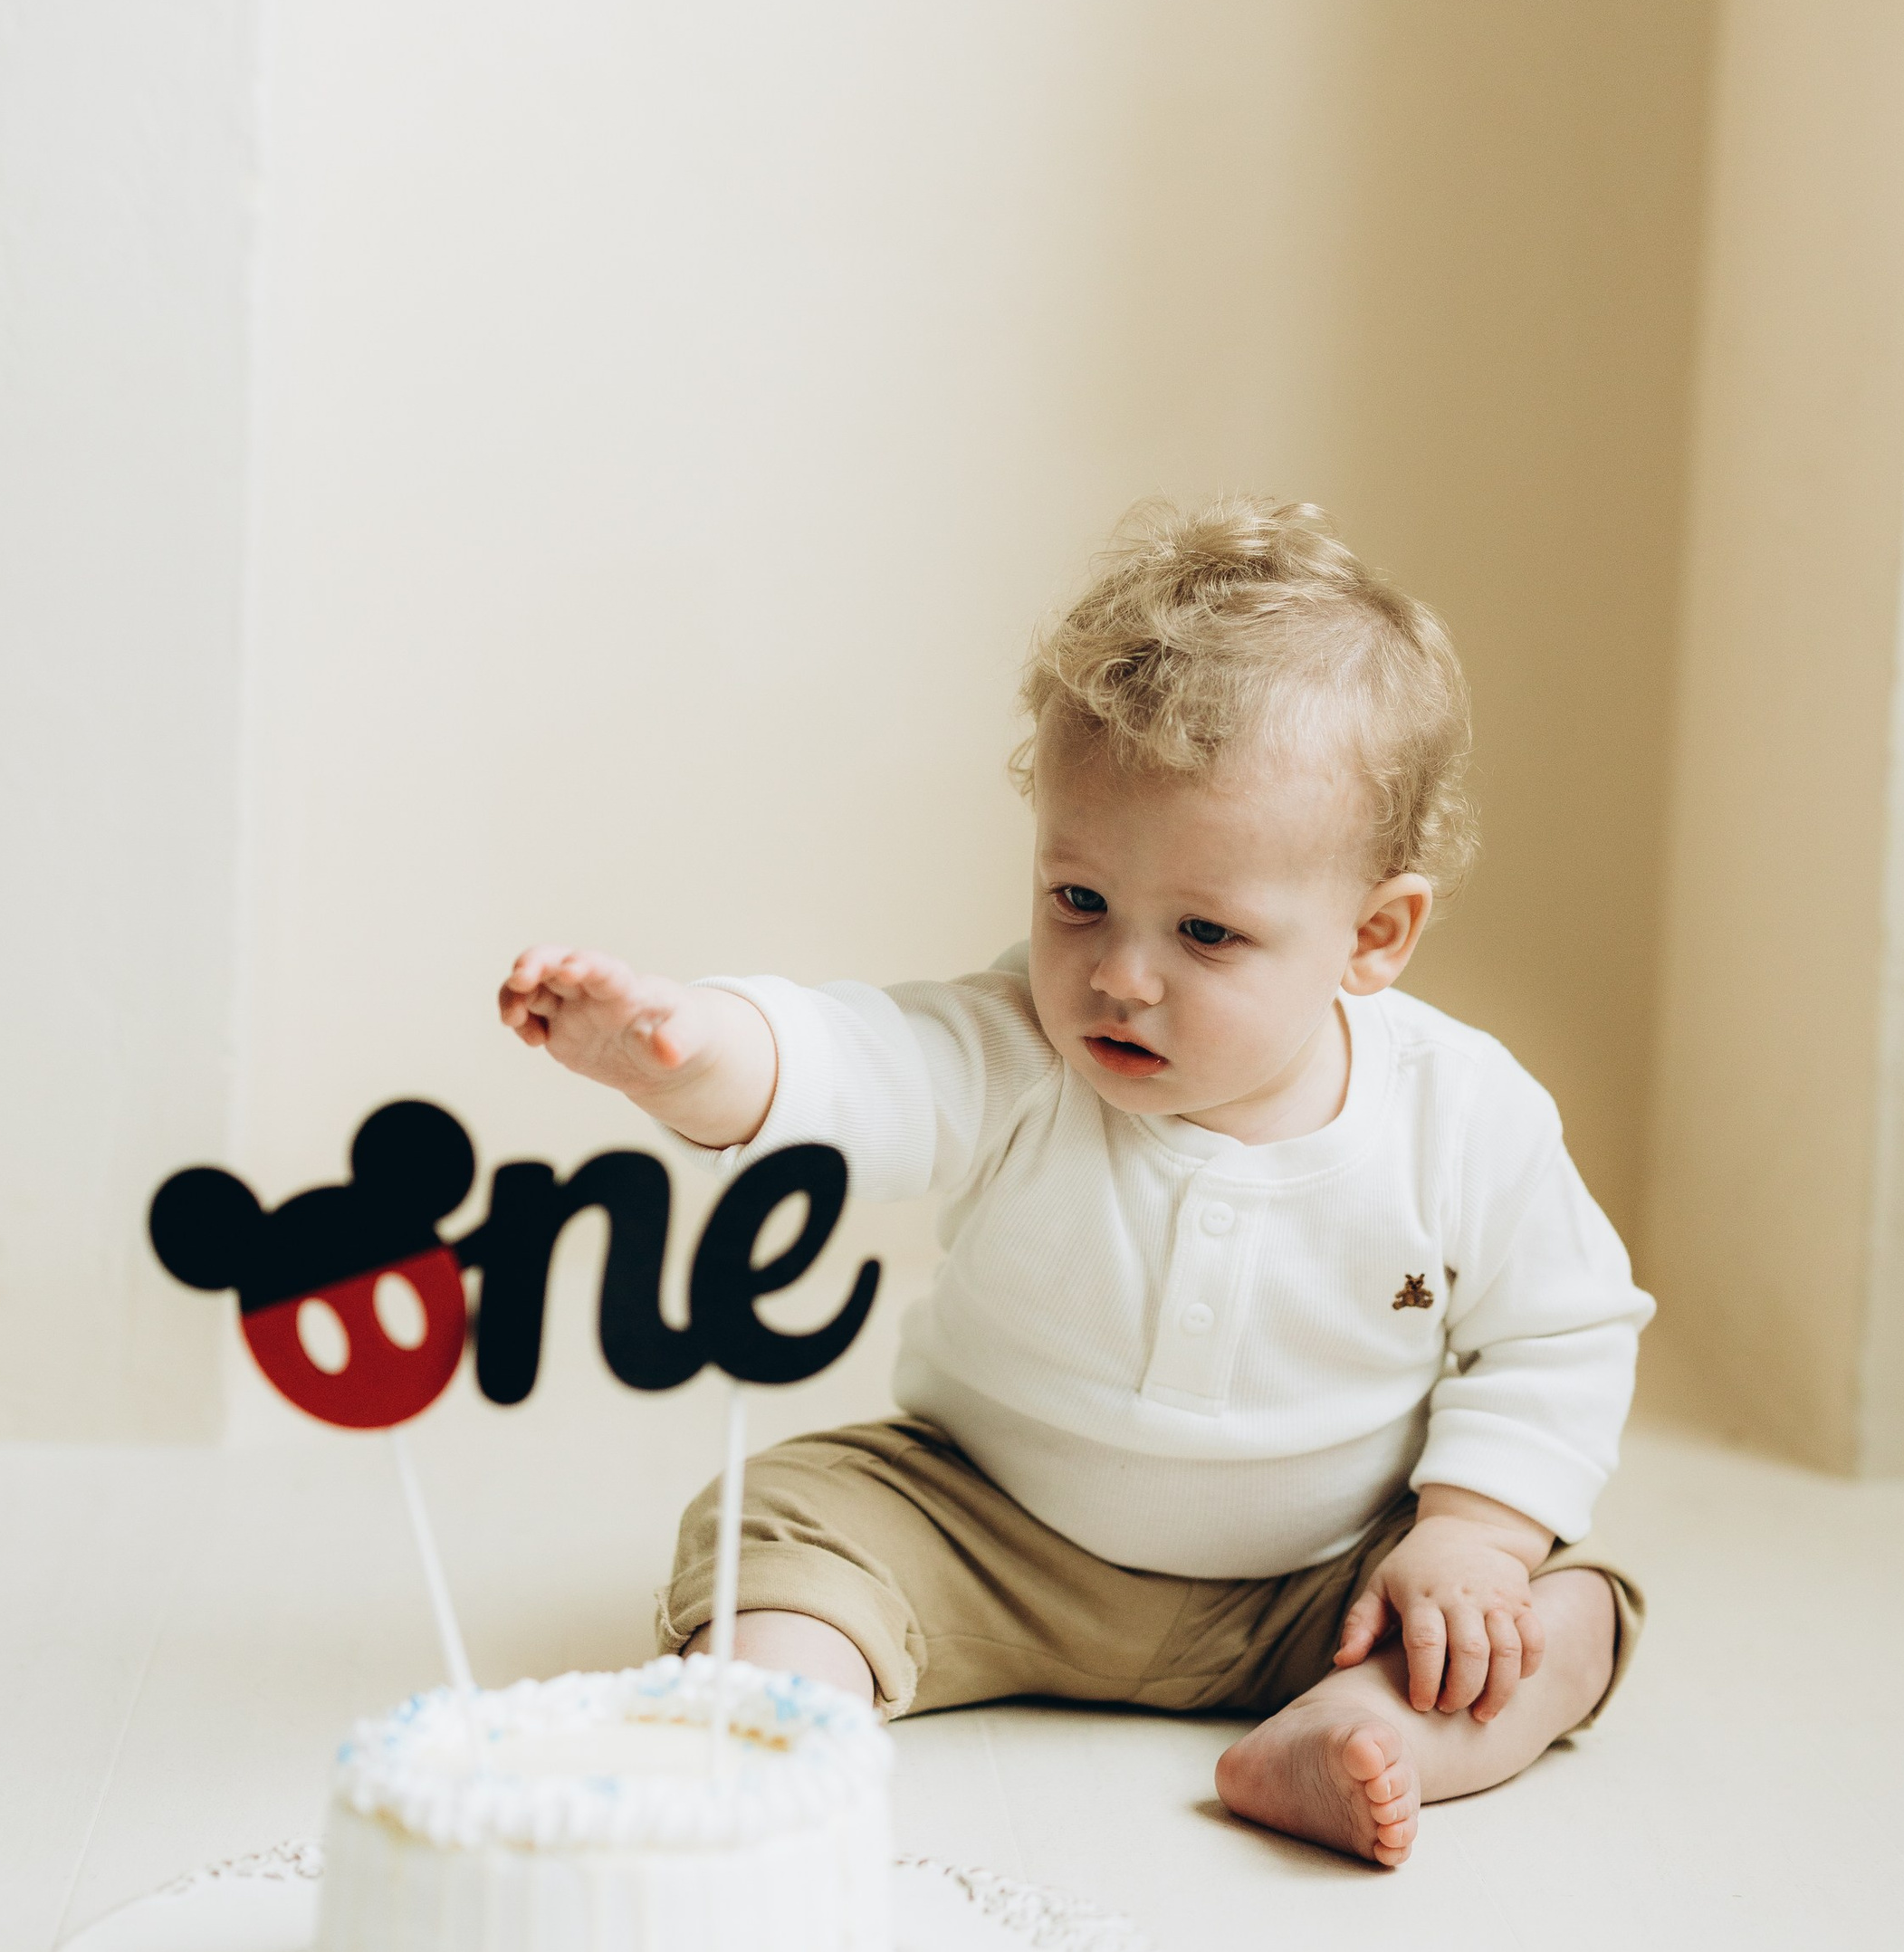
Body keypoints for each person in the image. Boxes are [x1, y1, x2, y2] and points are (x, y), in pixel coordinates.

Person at [497, 499, 1649, 1869]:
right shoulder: (1021, 1053)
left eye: (1205, 933)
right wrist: (685, 1048)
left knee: (1572, 1612)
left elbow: (1561, 1331)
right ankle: (781, 1732)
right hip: (991, 1533)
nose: (1119, 976)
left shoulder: (1462, 1113)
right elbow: (861, 1063)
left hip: (1320, 1586)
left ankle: (1363, 1732)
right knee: (785, 1520)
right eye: (1079, 901)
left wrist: (1472, 1532)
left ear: (1375, 934)